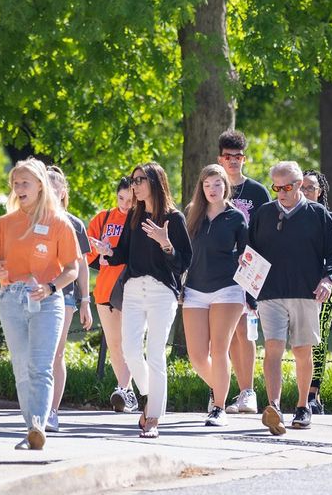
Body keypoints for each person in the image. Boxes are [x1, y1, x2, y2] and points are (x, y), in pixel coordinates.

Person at [0, 158, 80, 450]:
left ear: (40, 185)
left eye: (25, 182)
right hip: (11, 299)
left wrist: (51, 287)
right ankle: (31, 428)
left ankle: (37, 425)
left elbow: (72, 269)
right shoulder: (5, 223)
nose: (19, 187)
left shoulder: (59, 221)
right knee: (21, 367)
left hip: (47, 302)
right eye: (15, 183)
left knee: (40, 366)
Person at [249, 161, 332, 434]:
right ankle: (274, 407)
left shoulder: (319, 214)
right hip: (270, 295)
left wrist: (328, 280)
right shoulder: (264, 214)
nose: (281, 192)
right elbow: (250, 254)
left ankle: (303, 406)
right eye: (276, 187)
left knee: (302, 350)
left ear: (300, 184)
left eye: (287, 187)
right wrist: (249, 291)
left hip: (306, 293)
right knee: (274, 350)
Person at [105, 162, 191, 438]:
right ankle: (151, 395)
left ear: (155, 181)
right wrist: (106, 251)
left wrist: (165, 243)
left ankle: (153, 417)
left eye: (140, 180)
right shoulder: (134, 216)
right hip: (132, 289)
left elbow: (183, 262)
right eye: (133, 181)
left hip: (160, 292)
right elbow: (123, 255)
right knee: (130, 351)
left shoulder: (173, 219)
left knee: (155, 354)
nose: (135, 185)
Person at [182, 164, 248, 426]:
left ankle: (218, 407)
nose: (212, 189)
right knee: (197, 356)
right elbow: (182, 254)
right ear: (201, 187)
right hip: (195, 290)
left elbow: (247, 255)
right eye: (207, 185)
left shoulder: (236, 217)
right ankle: (220, 386)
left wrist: (251, 295)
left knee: (219, 350)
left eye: (217, 184)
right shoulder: (191, 213)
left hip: (227, 289)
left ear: (225, 186)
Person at [217, 129, 268, 415]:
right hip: (218, 268)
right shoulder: (212, 187)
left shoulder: (257, 192)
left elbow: (264, 234)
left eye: (238, 157)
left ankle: (248, 392)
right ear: (220, 159)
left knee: (244, 330)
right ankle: (226, 392)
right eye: (228, 157)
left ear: (244, 158)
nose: (233, 161)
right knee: (223, 334)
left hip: (249, 269)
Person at [44, 166, 94, 432]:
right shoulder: (33, 220)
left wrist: (85, 300)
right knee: (38, 354)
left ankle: (52, 412)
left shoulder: (74, 224)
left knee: (56, 353)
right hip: (36, 293)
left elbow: (82, 265)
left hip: (65, 296)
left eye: (54, 188)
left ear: (63, 192)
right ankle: (37, 408)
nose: (49, 193)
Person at [301, 170, 332, 415]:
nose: (305, 192)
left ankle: (313, 394)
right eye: (301, 187)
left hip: (326, 288)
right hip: (297, 286)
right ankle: (303, 391)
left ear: (320, 191)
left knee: (318, 341)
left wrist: (322, 262)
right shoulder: (291, 217)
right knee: (301, 342)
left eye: (310, 187)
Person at [87, 177, 136, 413]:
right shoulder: (103, 217)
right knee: (115, 345)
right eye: (121, 199)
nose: (125, 205)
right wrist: (97, 249)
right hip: (105, 289)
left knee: (131, 344)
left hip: (132, 289)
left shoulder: (140, 220)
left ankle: (123, 389)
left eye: (130, 200)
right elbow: (85, 252)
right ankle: (128, 394)